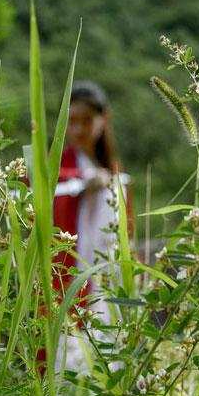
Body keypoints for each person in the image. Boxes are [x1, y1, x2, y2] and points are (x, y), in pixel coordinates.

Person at [48, 80, 134, 373]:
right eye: (71, 121)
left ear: (104, 119)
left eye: (87, 120)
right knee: (68, 366)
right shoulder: (60, 162)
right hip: (70, 283)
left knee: (108, 363)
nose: (79, 129)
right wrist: (83, 181)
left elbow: (127, 230)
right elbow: (39, 181)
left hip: (109, 284)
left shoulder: (115, 170)